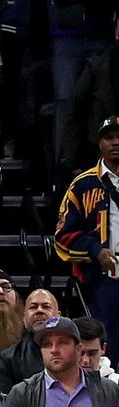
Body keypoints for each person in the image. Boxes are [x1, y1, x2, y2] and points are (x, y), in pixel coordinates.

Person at [55, 116, 119, 348]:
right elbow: (62, 239)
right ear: (99, 142)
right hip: (103, 281)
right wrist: (96, 251)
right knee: (107, 350)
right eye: (109, 137)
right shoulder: (83, 185)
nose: (116, 142)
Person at [0, 288, 59, 395]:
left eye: (46, 306)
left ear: (58, 315)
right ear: (24, 317)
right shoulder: (8, 358)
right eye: (33, 307)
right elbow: (7, 404)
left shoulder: (74, 353)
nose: (39, 310)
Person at [76, 316, 119, 383]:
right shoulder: (56, 384)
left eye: (92, 353)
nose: (85, 360)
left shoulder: (116, 383)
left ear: (103, 349)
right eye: (80, 353)